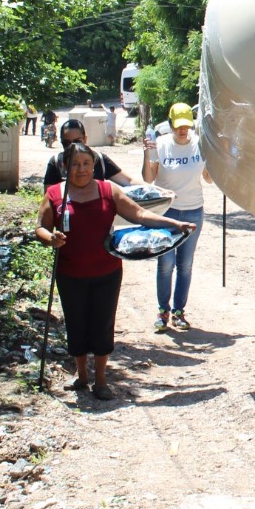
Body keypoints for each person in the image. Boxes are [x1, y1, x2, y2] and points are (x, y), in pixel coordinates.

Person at [35, 142, 197, 400]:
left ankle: (101, 380)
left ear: (94, 166)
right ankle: (81, 375)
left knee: (102, 323)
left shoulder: (108, 190)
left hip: (106, 272)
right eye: (75, 164)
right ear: (66, 166)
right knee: (76, 324)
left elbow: (141, 215)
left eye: (86, 164)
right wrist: (49, 237)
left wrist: (175, 223)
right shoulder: (56, 194)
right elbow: (40, 226)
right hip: (70, 272)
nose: (81, 169)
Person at [142, 102, 214, 332]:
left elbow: (209, 179)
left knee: (185, 264)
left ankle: (179, 312)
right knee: (166, 263)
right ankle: (162, 311)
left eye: (187, 126)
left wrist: (216, 156)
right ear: (171, 124)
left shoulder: (199, 145)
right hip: (167, 212)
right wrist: (147, 154)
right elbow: (148, 178)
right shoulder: (161, 145)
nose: (183, 131)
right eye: (178, 126)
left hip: (193, 211)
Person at [43, 118, 138, 189]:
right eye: (67, 143)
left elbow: (128, 181)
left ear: (85, 139)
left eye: (77, 142)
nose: (73, 147)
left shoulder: (99, 159)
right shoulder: (56, 163)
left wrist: (150, 189)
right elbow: (48, 202)